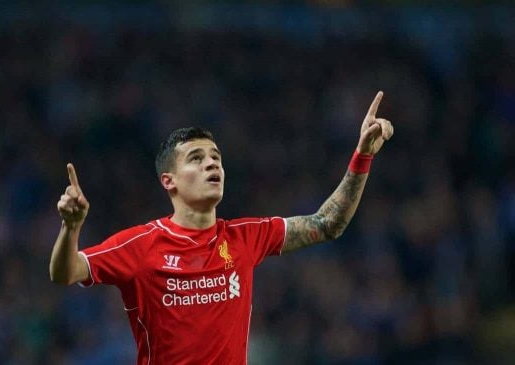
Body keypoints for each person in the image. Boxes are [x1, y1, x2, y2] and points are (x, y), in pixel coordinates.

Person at [49, 91, 394, 364]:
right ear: (168, 181)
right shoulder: (141, 245)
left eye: (215, 157)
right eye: (196, 158)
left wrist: (362, 155)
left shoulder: (246, 236)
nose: (212, 163)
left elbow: (327, 223)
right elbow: (64, 273)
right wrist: (71, 227)